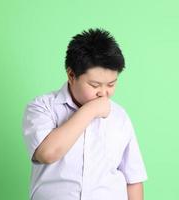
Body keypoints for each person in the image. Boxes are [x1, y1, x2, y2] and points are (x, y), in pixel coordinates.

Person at [22, 28, 148, 200]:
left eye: (111, 84)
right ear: (71, 75)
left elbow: (133, 178)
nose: (104, 93)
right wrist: (90, 110)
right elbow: (47, 153)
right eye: (95, 85)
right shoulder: (43, 107)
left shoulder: (120, 117)